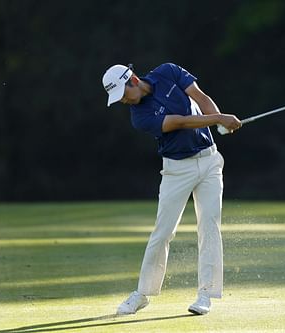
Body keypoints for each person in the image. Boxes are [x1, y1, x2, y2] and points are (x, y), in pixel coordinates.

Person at [102, 63, 242, 315]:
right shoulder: (139, 117)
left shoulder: (168, 72)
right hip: (177, 170)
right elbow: (180, 122)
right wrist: (219, 119)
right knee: (163, 232)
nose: (122, 101)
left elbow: (200, 97)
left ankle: (205, 295)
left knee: (209, 226)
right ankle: (142, 293)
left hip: (209, 161)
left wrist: (220, 122)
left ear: (133, 79)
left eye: (123, 94)